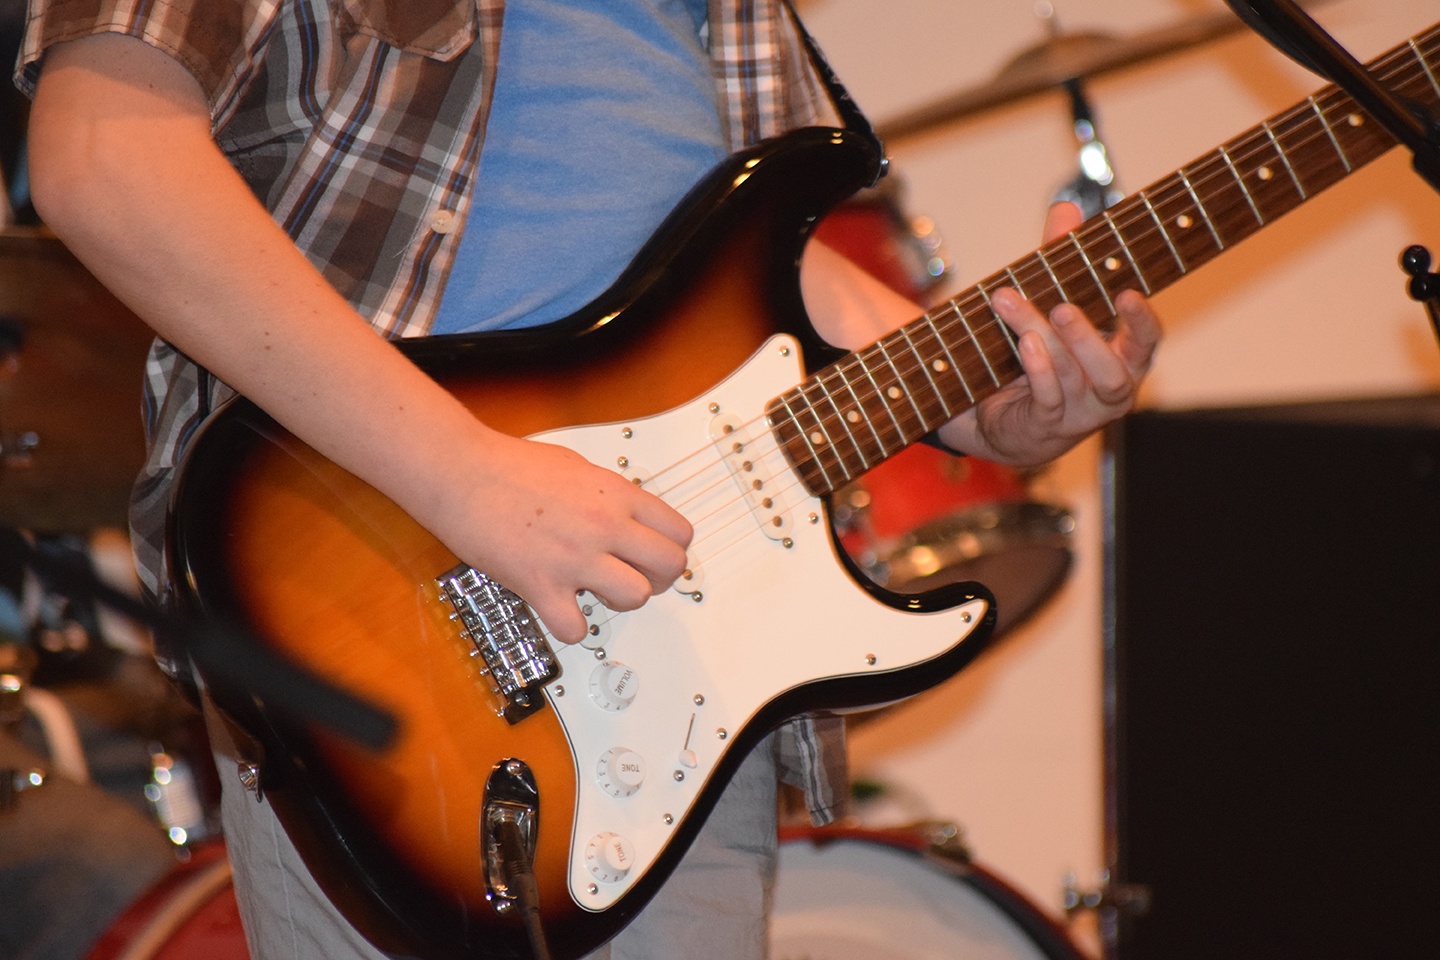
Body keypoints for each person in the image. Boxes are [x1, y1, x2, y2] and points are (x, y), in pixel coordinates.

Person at [17, 2, 1160, 958]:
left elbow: (763, 260)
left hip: (688, 654)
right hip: (384, 601)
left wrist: (989, 406)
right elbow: (105, 154)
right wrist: (467, 477)